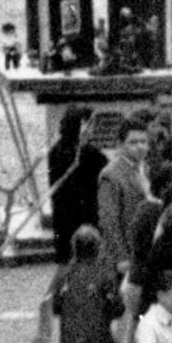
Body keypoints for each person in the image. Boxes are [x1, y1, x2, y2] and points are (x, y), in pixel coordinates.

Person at [51, 225, 122, 343]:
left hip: (69, 342)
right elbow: (118, 308)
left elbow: (55, 306)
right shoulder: (104, 274)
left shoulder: (65, 274)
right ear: (98, 248)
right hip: (98, 342)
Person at [47, 106, 108, 265]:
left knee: (66, 263)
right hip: (84, 216)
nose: (93, 129)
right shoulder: (88, 153)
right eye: (91, 124)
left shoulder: (56, 150)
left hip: (63, 216)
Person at [97, 116, 150, 278]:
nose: (140, 147)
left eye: (143, 142)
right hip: (124, 258)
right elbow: (109, 221)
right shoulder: (111, 175)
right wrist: (121, 258)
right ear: (120, 145)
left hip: (143, 251)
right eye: (133, 143)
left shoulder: (144, 169)